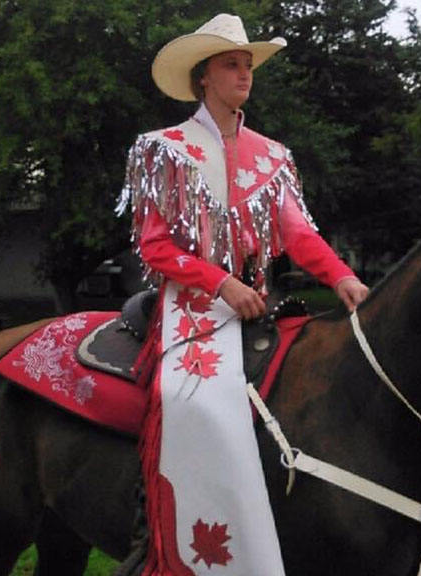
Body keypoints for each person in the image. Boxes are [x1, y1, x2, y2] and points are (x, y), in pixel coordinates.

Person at [116, 13, 369, 575]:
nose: (244, 73)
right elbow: (155, 248)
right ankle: (162, 534)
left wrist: (340, 276)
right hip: (191, 310)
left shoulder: (272, 156)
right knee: (197, 402)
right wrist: (219, 281)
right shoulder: (165, 149)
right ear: (203, 76)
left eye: (248, 64)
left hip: (256, 305)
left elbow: (299, 235)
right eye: (231, 64)